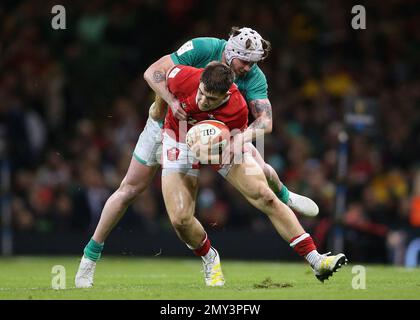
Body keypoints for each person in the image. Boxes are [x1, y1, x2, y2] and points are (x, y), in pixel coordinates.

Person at [75, 27, 319, 288]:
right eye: (246, 62)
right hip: (166, 128)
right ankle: (89, 258)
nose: (250, 68)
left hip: (214, 131)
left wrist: (239, 139)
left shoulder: (249, 82)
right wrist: (171, 101)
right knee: (129, 189)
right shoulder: (202, 48)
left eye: (254, 63)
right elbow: (153, 73)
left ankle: (285, 196)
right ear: (231, 52)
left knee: (259, 173)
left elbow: (265, 122)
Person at [160, 62, 346, 286]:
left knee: (264, 195)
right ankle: (210, 258)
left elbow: (240, 137)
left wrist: (227, 149)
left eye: (210, 99)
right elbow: (159, 79)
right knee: (180, 219)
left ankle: (316, 261)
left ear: (226, 94)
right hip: (178, 137)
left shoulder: (237, 108)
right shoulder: (183, 76)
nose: (202, 101)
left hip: (222, 142)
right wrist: (162, 104)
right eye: (201, 93)